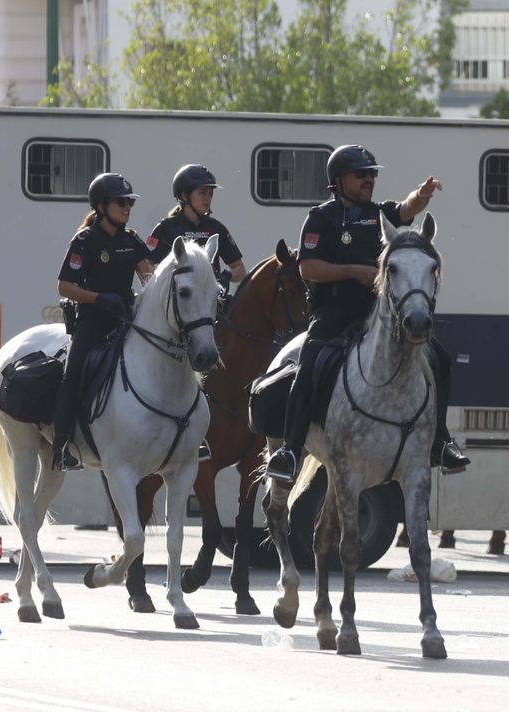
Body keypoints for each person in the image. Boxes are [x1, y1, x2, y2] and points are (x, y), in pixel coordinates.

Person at [266, 144, 469, 484]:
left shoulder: (380, 213)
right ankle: (290, 449)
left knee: (442, 360)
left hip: (380, 317)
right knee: (309, 365)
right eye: (361, 174)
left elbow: (406, 209)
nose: (369, 180)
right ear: (338, 180)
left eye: (372, 173)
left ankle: (441, 441)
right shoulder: (321, 218)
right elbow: (309, 268)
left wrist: (422, 194)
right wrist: (354, 272)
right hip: (333, 314)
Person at [51, 173, 154, 471]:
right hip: (93, 322)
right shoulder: (84, 240)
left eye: (129, 203)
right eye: (120, 202)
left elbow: (149, 277)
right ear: (101, 206)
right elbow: (64, 286)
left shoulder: (131, 240)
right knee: (72, 376)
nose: (126, 208)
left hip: (126, 320)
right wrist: (98, 298)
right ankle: (61, 446)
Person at [145, 164, 248, 292]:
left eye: (210, 194)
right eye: (202, 193)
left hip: (210, 299)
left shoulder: (217, 228)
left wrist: (225, 276)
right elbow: (146, 265)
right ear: (184, 196)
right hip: (176, 302)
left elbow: (240, 269)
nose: (208, 198)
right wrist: (167, 279)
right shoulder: (165, 228)